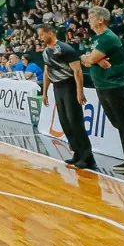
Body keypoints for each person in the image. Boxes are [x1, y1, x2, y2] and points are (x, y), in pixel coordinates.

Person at [78, 5, 124, 178]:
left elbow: (89, 59)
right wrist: (92, 59)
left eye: (90, 17)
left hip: (114, 85)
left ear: (100, 20)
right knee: (118, 123)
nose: (88, 21)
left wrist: (91, 59)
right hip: (103, 85)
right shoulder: (97, 39)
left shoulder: (107, 38)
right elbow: (84, 58)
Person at [38, 25, 93, 170]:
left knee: (75, 121)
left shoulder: (65, 48)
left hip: (69, 86)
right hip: (57, 87)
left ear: (50, 33)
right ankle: (77, 153)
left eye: (42, 34)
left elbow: (78, 71)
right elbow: (46, 72)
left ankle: (88, 157)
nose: (40, 38)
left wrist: (79, 91)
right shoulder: (45, 52)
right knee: (65, 122)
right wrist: (45, 92)